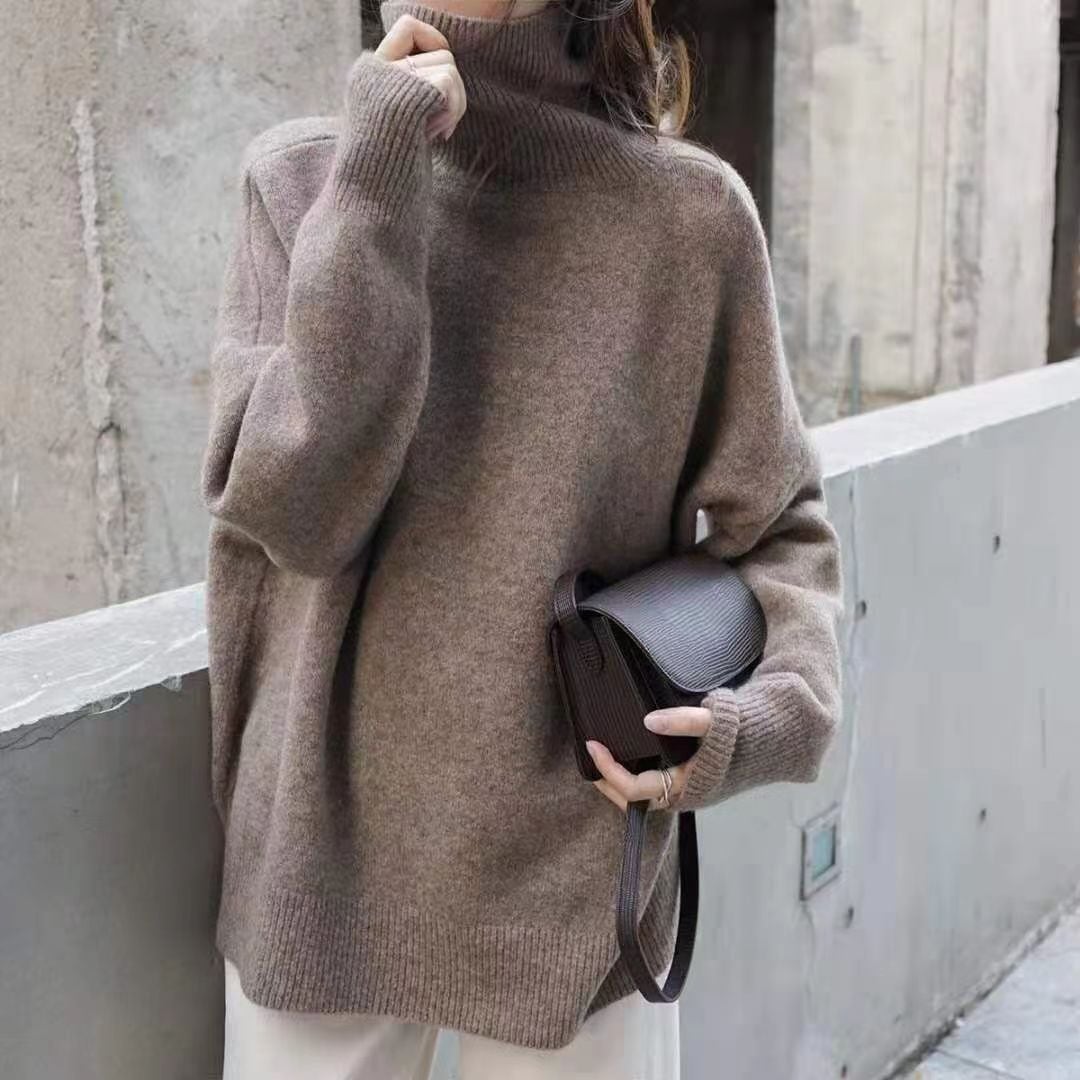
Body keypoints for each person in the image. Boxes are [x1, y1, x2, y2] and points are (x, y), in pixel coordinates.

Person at [200, 0, 844, 1076]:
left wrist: (759, 722)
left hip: (580, 877)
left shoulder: (688, 219)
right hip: (322, 870)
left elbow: (782, 528)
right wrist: (380, 174)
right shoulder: (305, 182)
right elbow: (296, 514)